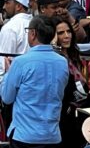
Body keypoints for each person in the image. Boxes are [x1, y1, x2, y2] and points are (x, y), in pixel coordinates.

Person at [0, 15, 69, 147]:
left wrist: (8, 74)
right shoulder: (62, 62)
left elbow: (7, 98)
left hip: (25, 136)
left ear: (33, 33)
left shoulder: (21, 62)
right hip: (52, 135)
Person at [52, 17, 89, 148]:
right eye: (61, 33)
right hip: (62, 114)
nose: (66, 36)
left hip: (80, 112)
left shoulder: (74, 55)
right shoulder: (54, 59)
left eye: (69, 31)